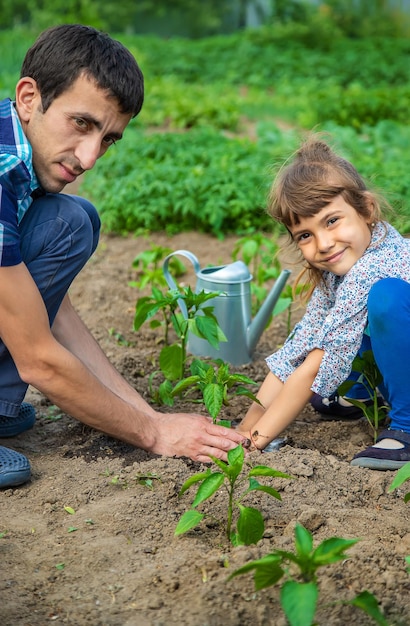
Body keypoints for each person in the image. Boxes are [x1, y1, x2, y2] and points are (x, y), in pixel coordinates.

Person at [0, 24, 247, 489]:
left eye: (108, 138)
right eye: (82, 124)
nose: (90, 157)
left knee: (71, 221)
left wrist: (145, 412)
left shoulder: (14, 154)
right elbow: (37, 357)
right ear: (29, 98)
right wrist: (154, 434)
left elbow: (43, 313)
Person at [237, 135, 410, 470]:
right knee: (345, 325)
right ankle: (362, 395)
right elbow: (299, 348)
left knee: (386, 299)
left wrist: (254, 442)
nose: (324, 243)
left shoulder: (376, 264)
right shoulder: (338, 270)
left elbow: (319, 360)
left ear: (367, 210)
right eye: (305, 235)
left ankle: (407, 426)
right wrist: (247, 426)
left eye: (331, 221)